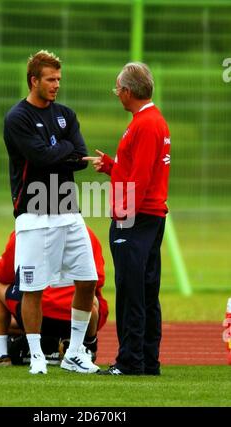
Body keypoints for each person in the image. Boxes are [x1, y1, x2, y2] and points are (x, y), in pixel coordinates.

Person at [3, 50, 99, 374]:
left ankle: (73, 353)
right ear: (34, 80)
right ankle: (38, 358)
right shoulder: (17, 118)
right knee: (33, 288)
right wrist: (63, 151)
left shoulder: (66, 115)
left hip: (68, 211)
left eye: (59, 79)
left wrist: (60, 152)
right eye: (50, 79)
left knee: (88, 280)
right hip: (33, 214)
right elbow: (41, 158)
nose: (56, 84)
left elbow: (80, 156)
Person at [84, 62, 170, 375]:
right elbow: (137, 170)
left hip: (136, 217)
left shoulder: (145, 124)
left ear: (128, 91)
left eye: (118, 89)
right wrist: (111, 166)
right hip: (150, 215)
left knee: (131, 289)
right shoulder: (151, 120)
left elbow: (142, 177)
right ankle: (147, 360)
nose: (117, 95)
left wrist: (123, 215)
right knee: (145, 289)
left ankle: (131, 360)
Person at [0, 226, 108, 367]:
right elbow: (98, 279)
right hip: (77, 317)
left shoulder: (27, 226)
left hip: (37, 316)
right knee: (93, 299)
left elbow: (4, 274)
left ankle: (1, 355)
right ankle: (88, 346)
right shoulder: (84, 231)